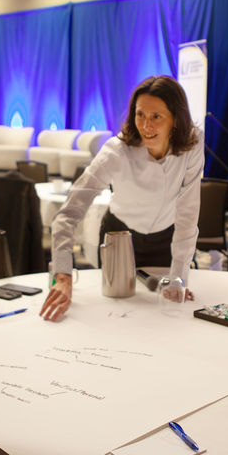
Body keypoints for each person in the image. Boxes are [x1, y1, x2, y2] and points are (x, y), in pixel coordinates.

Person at [41, 76, 204, 321]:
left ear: (175, 120)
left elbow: (188, 212)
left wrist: (179, 276)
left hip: (166, 239)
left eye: (156, 117)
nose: (146, 126)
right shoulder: (116, 152)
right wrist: (62, 277)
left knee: (165, 318)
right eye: (140, 115)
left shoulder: (192, 142)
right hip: (120, 239)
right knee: (117, 315)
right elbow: (68, 214)